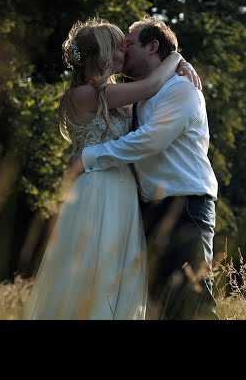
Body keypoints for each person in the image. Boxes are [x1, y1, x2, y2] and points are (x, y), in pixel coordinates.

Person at [23, 17, 201, 320]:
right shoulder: (86, 94)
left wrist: (179, 68)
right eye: (121, 47)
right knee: (94, 270)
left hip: (122, 192)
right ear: (106, 54)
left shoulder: (112, 93)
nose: (125, 52)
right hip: (98, 190)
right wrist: (177, 58)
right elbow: (152, 85)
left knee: (119, 275)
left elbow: (151, 101)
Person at [69, 17, 219, 320]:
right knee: (158, 306)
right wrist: (178, 59)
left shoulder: (181, 89)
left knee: (190, 303)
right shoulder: (136, 93)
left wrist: (90, 156)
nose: (123, 53)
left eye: (129, 45)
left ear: (152, 47)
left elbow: (149, 141)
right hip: (145, 208)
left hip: (184, 205)